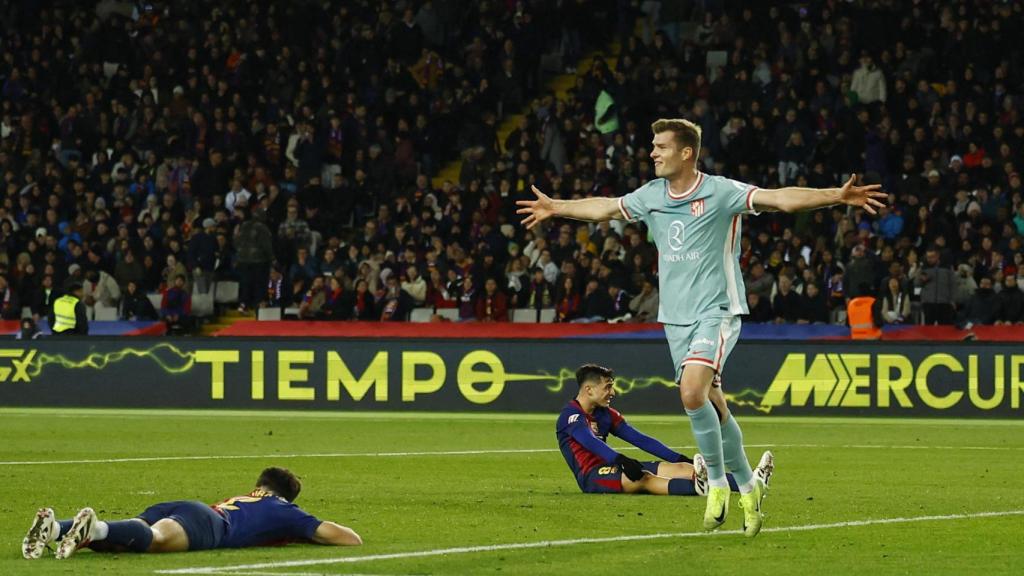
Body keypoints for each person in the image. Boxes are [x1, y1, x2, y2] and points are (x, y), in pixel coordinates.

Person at [519, 117, 884, 536]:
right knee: (713, 402)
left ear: (686, 153)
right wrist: (556, 207)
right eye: (652, 146)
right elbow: (604, 207)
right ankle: (747, 486)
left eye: (661, 146)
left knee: (692, 392)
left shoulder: (720, 191)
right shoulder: (652, 195)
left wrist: (835, 196)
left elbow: (781, 199)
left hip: (717, 310)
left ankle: (714, 484)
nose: (652, 152)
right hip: (675, 319)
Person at [22, 467, 361, 560]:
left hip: (187, 506)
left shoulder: (246, 497)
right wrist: (304, 532)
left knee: (129, 537)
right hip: (210, 525)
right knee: (152, 541)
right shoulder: (285, 510)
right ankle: (93, 530)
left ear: (258, 485)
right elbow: (347, 539)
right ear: (285, 496)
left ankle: (53, 529)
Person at [557, 364, 772, 497]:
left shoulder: (606, 413)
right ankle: (698, 489)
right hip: (592, 476)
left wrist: (678, 457)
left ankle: (751, 483)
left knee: (680, 468)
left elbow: (640, 439)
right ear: (589, 389)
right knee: (643, 478)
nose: (612, 392)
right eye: (607, 387)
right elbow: (589, 442)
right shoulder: (571, 416)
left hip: (615, 464)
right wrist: (620, 460)